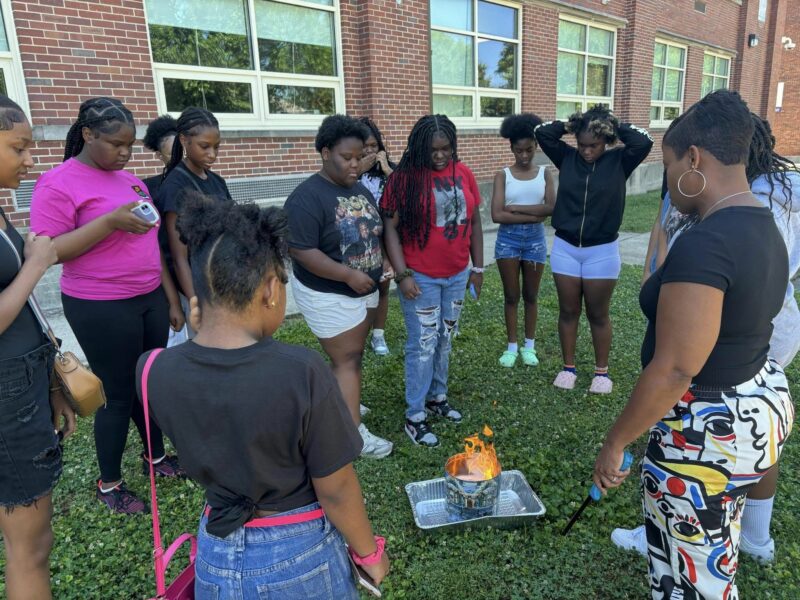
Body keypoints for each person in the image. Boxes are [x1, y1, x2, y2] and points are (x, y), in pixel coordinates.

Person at [591, 90, 794, 599]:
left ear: (695, 160)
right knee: (712, 555)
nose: (668, 179)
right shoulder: (761, 221)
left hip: (707, 430)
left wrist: (615, 442)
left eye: (668, 164)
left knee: (691, 581)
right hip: (756, 403)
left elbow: (677, 368)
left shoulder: (709, 242)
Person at [136, 196, 390, 598]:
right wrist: (368, 552)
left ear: (198, 298)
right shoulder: (300, 370)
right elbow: (336, 487)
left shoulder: (152, 369)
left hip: (215, 552)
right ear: (271, 289)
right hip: (298, 552)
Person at [30, 97, 185, 514]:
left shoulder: (130, 179)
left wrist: (169, 297)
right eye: (116, 144)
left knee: (147, 384)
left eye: (130, 145)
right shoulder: (58, 182)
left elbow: (153, 242)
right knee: (117, 394)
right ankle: (109, 483)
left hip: (149, 296)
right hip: (100, 304)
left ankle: (154, 457)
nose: (124, 153)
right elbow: (51, 251)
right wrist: (109, 222)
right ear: (87, 135)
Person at [0, 95, 75, 600]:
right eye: (19, 147)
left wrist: (51, 385)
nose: (32, 160)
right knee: (31, 546)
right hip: (6, 397)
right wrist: (35, 264)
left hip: (23, 383)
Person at [284, 114, 393, 459]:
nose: (355, 164)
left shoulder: (357, 187)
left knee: (351, 358)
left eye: (360, 157)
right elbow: (301, 250)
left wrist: (384, 262)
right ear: (325, 152)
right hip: (329, 293)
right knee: (347, 360)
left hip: (363, 289)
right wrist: (347, 275)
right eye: (346, 157)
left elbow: (374, 228)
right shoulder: (306, 198)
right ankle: (353, 436)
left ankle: (346, 401)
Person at [382, 114, 484, 447]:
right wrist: (403, 275)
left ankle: (437, 398)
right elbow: (390, 230)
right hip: (421, 277)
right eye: (432, 150)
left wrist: (478, 268)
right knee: (422, 344)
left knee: (445, 338)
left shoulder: (464, 172)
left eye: (446, 149)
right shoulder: (403, 179)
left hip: (456, 275)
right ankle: (415, 415)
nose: (440, 155)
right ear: (419, 147)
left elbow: (475, 222)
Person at [535, 107, 652, 393]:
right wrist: (573, 124)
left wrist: (611, 124)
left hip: (602, 250)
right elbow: (542, 133)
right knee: (568, 310)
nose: (587, 151)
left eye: (594, 145)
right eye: (582, 144)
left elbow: (644, 142)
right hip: (565, 247)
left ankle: (602, 373)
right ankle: (568, 368)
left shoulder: (621, 161)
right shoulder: (567, 157)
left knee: (598, 314)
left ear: (606, 141)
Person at [491, 113, 555, 368]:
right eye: (519, 151)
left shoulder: (545, 173)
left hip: (535, 241)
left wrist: (515, 209)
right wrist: (532, 213)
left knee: (531, 295)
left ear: (536, 146)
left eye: (529, 149)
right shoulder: (502, 175)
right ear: (512, 148)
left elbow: (550, 208)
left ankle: (529, 346)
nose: (525, 156)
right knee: (511, 296)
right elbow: (497, 215)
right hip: (507, 240)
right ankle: (511, 347)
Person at [157, 107, 232, 303]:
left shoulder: (217, 181)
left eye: (216, 147)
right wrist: (196, 303)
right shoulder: (176, 186)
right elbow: (179, 257)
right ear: (183, 140)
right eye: (204, 146)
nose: (212, 154)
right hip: (195, 287)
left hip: (220, 278)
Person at [358, 117, 395, 356]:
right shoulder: (351, 174)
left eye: (373, 146)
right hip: (359, 242)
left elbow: (404, 194)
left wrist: (388, 171)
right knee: (360, 292)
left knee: (382, 289)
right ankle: (358, 334)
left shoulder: (389, 171)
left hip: (385, 240)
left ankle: (378, 335)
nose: (370, 151)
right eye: (364, 147)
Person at [141, 114, 177, 211]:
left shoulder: (202, 179)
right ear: (159, 155)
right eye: (172, 154)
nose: (179, 158)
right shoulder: (147, 187)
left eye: (182, 152)